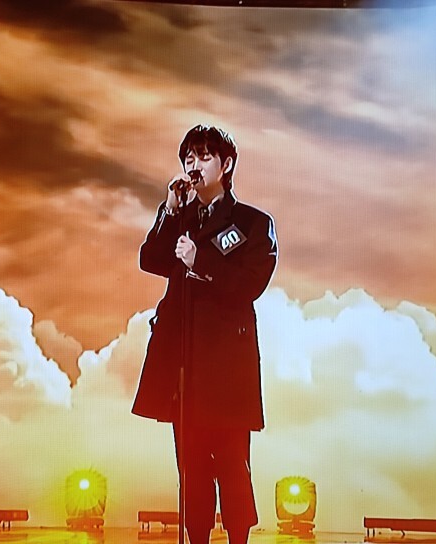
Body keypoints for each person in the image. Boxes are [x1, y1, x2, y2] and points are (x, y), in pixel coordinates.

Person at [132, 125, 278, 544]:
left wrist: (201, 262)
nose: (193, 166)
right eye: (188, 158)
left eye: (203, 156)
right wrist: (168, 210)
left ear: (226, 164)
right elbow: (151, 259)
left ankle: (238, 538)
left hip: (226, 366)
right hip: (184, 363)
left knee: (232, 464)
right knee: (191, 467)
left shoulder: (252, 222)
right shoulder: (181, 218)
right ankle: (196, 536)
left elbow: (251, 283)